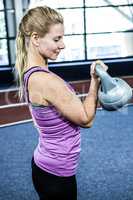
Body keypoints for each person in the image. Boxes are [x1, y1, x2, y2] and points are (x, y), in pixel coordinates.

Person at [15, 5, 107, 200]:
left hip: (46, 167)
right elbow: (86, 119)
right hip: (56, 174)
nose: (62, 45)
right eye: (57, 39)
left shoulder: (29, 73)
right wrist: (95, 81)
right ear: (35, 38)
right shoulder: (47, 81)